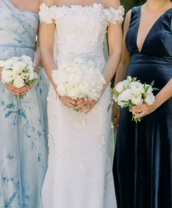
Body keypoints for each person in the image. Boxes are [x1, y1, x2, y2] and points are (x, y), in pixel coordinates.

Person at [39, 0, 123, 207]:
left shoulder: (111, 1)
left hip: (99, 87)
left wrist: (98, 90)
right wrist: (60, 89)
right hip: (61, 88)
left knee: (95, 156)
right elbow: (46, 49)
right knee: (63, 156)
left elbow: (115, 52)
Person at [112, 0, 172, 207]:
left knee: (159, 169)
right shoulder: (132, 14)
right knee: (127, 165)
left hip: (164, 108)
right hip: (130, 106)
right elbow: (124, 62)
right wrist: (116, 102)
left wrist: (155, 103)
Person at [0, 0, 48, 207]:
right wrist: (2, 74)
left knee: (31, 148)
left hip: (31, 81)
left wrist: (33, 72)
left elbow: (44, 45)